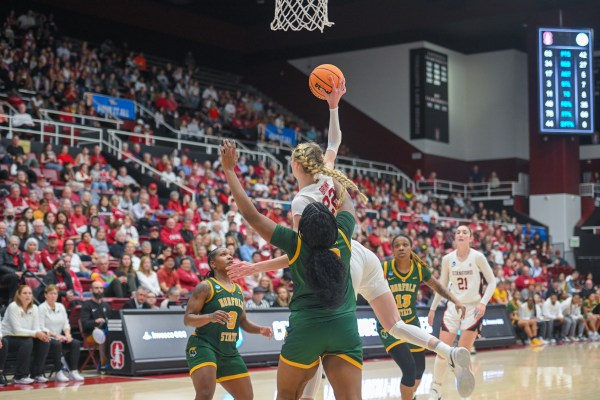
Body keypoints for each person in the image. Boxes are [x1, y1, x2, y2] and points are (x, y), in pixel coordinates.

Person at [229, 84, 474, 398]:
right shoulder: (329, 174)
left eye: (291, 162)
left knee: (315, 340)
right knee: (394, 324)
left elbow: (300, 252)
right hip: (358, 251)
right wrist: (334, 105)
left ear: (297, 166)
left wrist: (255, 268)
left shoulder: (301, 202)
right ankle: (448, 352)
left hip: (336, 262)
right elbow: (334, 141)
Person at [376, 234, 467, 400]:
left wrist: (456, 301)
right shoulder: (384, 267)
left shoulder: (418, 268)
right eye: (397, 245)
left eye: (405, 244)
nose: (401, 248)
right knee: (409, 368)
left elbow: (438, 286)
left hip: (411, 323)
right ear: (393, 250)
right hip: (389, 326)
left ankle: (411, 396)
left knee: (419, 369)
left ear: (411, 248)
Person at [183, 247, 273, 399]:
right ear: (213, 264)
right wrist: (210, 317)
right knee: (205, 393)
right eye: (223, 255)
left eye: (231, 254)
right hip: (204, 345)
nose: (230, 257)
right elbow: (188, 319)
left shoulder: (238, 290)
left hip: (229, 351)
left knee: (247, 397)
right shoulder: (206, 286)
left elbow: (242, 321)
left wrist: (260, 329)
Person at [428, 225, 496, 400]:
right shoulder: (447, 259)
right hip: (453, 307)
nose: (461, 234)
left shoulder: (478, 257)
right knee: (442, 350)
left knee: (463, 353)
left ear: (471, 239)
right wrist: (433, 308)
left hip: (473, 308)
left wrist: (483, 303)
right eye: (458, 232)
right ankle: (436, 389)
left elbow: (492, 282)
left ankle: (465, 394)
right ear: (455, 238)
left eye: (465, 232)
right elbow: (441, 286)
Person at [2, 285, 51, 384]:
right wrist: (36, 333)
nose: (27, 295)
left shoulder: (34, 308)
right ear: (19, 295)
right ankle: (20, 376)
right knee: (27, 342)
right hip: (8, 338)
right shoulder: (13, 307)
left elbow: (36, 328)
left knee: (44, 341)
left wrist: (41, 334)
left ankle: (36, 374)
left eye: (29, 293)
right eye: (24, 293)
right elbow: (16, 330)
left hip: (26, 336)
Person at [38, 284, 84, 382]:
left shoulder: (60, 306)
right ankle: (58, 372)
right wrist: (56, 335)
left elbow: (66, 323)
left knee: (75, 343)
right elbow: (41, 327)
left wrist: (68, 335)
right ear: (46, 295)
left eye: (55, 293)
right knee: (57, 344)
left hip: (60, 336)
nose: (53, 296)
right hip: (47, 337)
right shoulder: (41, 308)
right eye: (51, 294)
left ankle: (73, 371)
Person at [80, 281, 112, 370]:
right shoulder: (86, 305)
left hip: (105, 332)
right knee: (102, 335)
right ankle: (103, 365)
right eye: (96, 288)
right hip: (90, 335)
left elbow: (110, 321)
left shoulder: (106, 305)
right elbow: (85, 323)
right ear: (91, 290)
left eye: (101, 288)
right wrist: (95, 322)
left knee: (114, 335)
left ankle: (116, 363)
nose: (99, 290)